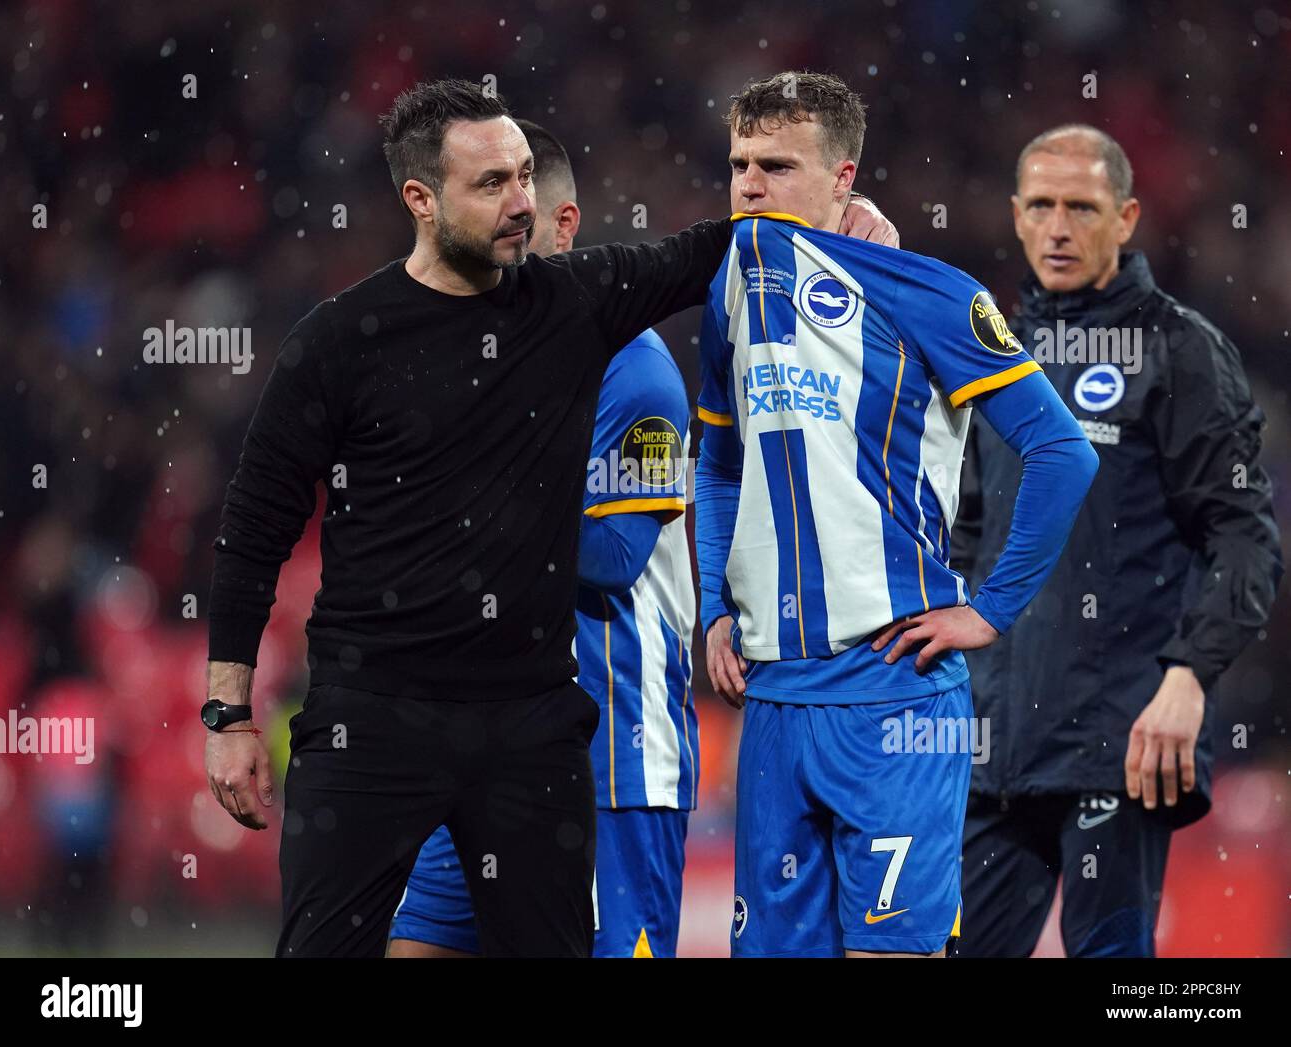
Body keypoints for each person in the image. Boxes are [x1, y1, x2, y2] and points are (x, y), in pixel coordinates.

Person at [201, 79, 737, 959]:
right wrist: (227, 717)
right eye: (492, 184)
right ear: (421, 199)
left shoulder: (573, 308)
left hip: (527, 727)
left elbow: (705, 249)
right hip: (373, 718)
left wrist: (842, 211)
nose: (522, 203)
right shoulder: (341, 341)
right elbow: (252, 531)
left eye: (527, 178)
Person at [695, 72, 1099, 958]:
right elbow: (720, 464)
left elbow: (1063, 452)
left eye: (777, 165)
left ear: (844, 178)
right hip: (770, 699)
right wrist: (713, 607)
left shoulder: (934, 292)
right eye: (738, 165)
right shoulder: (730, 292)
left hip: (893, 692)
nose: (751, 185)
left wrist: (990, 610)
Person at [951, 124, 1283, 958]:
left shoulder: (1179, 353)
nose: (1059, 227)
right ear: (1016, 215)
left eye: (1082, 207)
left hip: (1122, 742)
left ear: (1127, 217)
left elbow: (1245, 536)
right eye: (1042, 206)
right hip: (994, 746)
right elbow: (968, 537)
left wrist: (1188, 676)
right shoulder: (997, 352)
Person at [386, 120, 701, 959]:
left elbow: (612, 558)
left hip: (612, 755)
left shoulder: (639, 375)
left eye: (521, 223)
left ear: (563, 228)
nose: (500, 244)